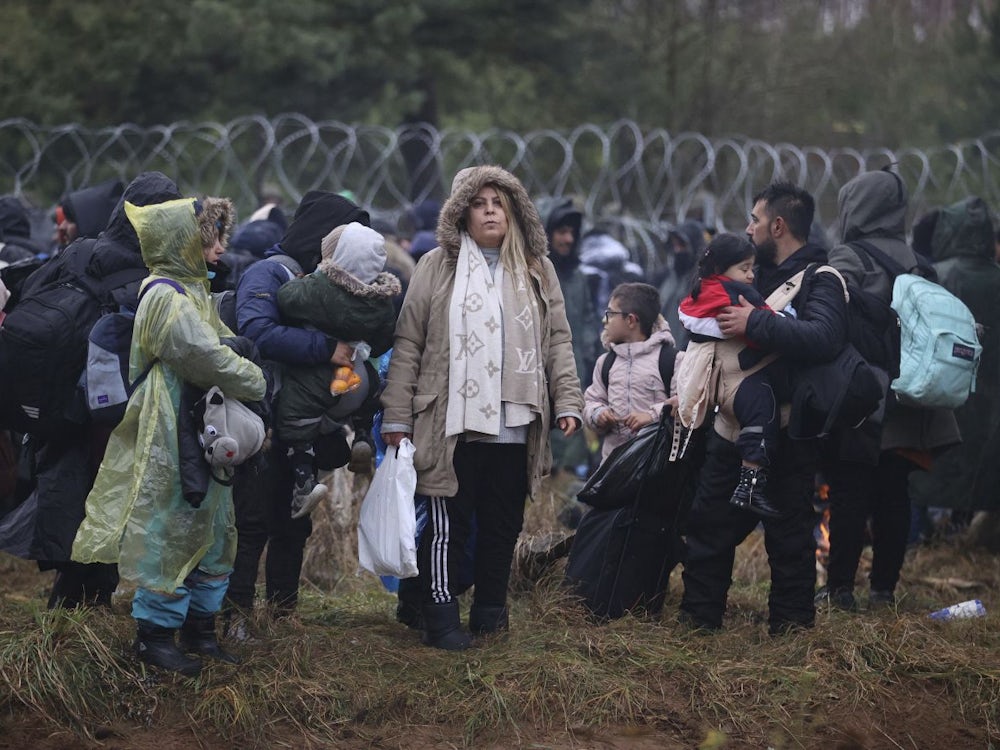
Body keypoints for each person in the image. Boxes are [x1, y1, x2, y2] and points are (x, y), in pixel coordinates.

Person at [380, 165, 584, 650]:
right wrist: (396, 414)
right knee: (449, 523)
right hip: (450, 423)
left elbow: (557, 339)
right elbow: (409, 343)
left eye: (499, 202)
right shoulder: (435, 266)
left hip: (516, 421)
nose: (491, 210)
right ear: (461, 213)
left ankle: (492, 614)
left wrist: (568, 398)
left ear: (514, 210)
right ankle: (440, 617)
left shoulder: (537, 267)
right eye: (480, 203)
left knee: (502, 523)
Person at [71, 197, 266, 676]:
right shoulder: (163, 296)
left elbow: (219, 343)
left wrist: (234, 355)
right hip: (169, 427)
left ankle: (201, 631)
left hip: (201, 423)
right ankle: (154, 638)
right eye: (210, 238)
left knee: (215, 528)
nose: (220, 247)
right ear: (183, 242)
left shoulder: (194, 290)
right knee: (171, 526)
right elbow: (205, 355)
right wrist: (255, 378)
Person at [1, 172, 183, 611]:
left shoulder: (79, 251)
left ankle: (69, 618)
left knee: (71, 511)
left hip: (54, 404)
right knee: (102, 515)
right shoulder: (149, 275)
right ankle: (79, 623)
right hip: (109, 416)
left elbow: (22, 299)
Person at [679, 181, 848, 634]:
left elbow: (823, 338)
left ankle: (790, 632)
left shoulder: (821, 278)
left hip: (788, 434)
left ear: (777, 225)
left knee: (789, 538)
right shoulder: (742, 273)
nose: (747, 228)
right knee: (710, 526)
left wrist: (755, 320)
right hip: (730, 428)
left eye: (754, 220)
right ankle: (699, 623)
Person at [224, 191, 371, 633]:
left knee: (292, 526)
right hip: (262, 423)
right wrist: (329, 349)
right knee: (251, 525)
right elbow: (257, 332)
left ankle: (282, 620)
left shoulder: (322, 285)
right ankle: (235, 619)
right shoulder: (268, 272)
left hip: (299, 427)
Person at [819, 170, 961, 611]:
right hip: (909, 398)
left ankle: (840, 590)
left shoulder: (849, 257)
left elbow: (835, 318)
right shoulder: (920, 262)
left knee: (848, 494)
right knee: (893, 496)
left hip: (862, 396)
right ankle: (883, 591)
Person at [274, 221, 400, 517]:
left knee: (294, 421)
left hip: (320, 377)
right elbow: (383, 343)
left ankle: (304, 481)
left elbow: (286, 298)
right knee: (363, 397)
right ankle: (362, 435)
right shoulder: (381, 304)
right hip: (360, 378)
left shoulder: (321, 288)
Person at [907, 198, 1000, 545]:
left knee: (922, 472)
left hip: (941, 395)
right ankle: (967, 538)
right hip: (991, 405)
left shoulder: (934, 277)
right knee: (981, 471)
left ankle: (915, 542)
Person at [676, 233, 788, 517]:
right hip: (743, 380)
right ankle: (750, 486)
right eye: (744, 268)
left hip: (709, 382)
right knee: (764, 418)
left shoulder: (700, 290)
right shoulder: (739, 293)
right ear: (721, 268)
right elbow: (765, 326)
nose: (751, 275)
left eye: (752, 268)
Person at [542, 198, 602, 476]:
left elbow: (589, 320)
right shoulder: (539, 273)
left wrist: (590, 357)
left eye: (571, 234)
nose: (566, 239)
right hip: (540, 373)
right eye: (561, 232)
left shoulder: (578, 277)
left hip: (575, 374)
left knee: (570, 447)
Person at [583, 282, 674, 463]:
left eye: (610, 314)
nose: (604, 320)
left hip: (656, 467)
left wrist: (652, 416)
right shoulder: (606, 363)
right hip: (613, 469)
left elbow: (687, 405)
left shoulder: (671, 360)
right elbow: (591, 401)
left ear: (631, 320)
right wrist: (598, 414)